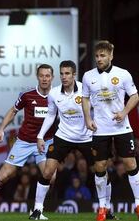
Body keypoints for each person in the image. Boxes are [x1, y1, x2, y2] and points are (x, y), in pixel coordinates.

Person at [29, 60, 117, 220]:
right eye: (62, 73)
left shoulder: (85, 89)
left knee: (101, 171)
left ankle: (107, 210)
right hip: (63, 136)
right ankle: (37, 210)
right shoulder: (54, 93)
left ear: (74, 74)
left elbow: (99, 108)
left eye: (67, 73)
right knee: (48, 171)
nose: (64, 77)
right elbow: (50, 115)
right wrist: (40, 136)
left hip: (87, 137)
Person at [0, 64, 55, 220]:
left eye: (47, 76)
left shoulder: (57, 96)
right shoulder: (27, 95)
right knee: (4, 174)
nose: (44, 79)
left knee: (50, 175)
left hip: (45, 142)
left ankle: (36, 211)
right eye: (41, 75)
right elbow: (13, 110)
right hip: (24, 142)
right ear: (37, 77)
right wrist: (1, 128)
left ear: (52, 78)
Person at [82, 40, 139, 221]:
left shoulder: (123, 74)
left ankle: (138, 203)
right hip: (100, 129)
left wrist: (124, 112)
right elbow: (84, 99)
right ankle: (102, 208)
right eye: (97, 56)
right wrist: (88, 118)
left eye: (103, 55)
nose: (99, 59)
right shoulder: (87, 76)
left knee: (130, 164)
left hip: (122, 127)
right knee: (99, 167)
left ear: (111, 56)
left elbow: (135, 96)